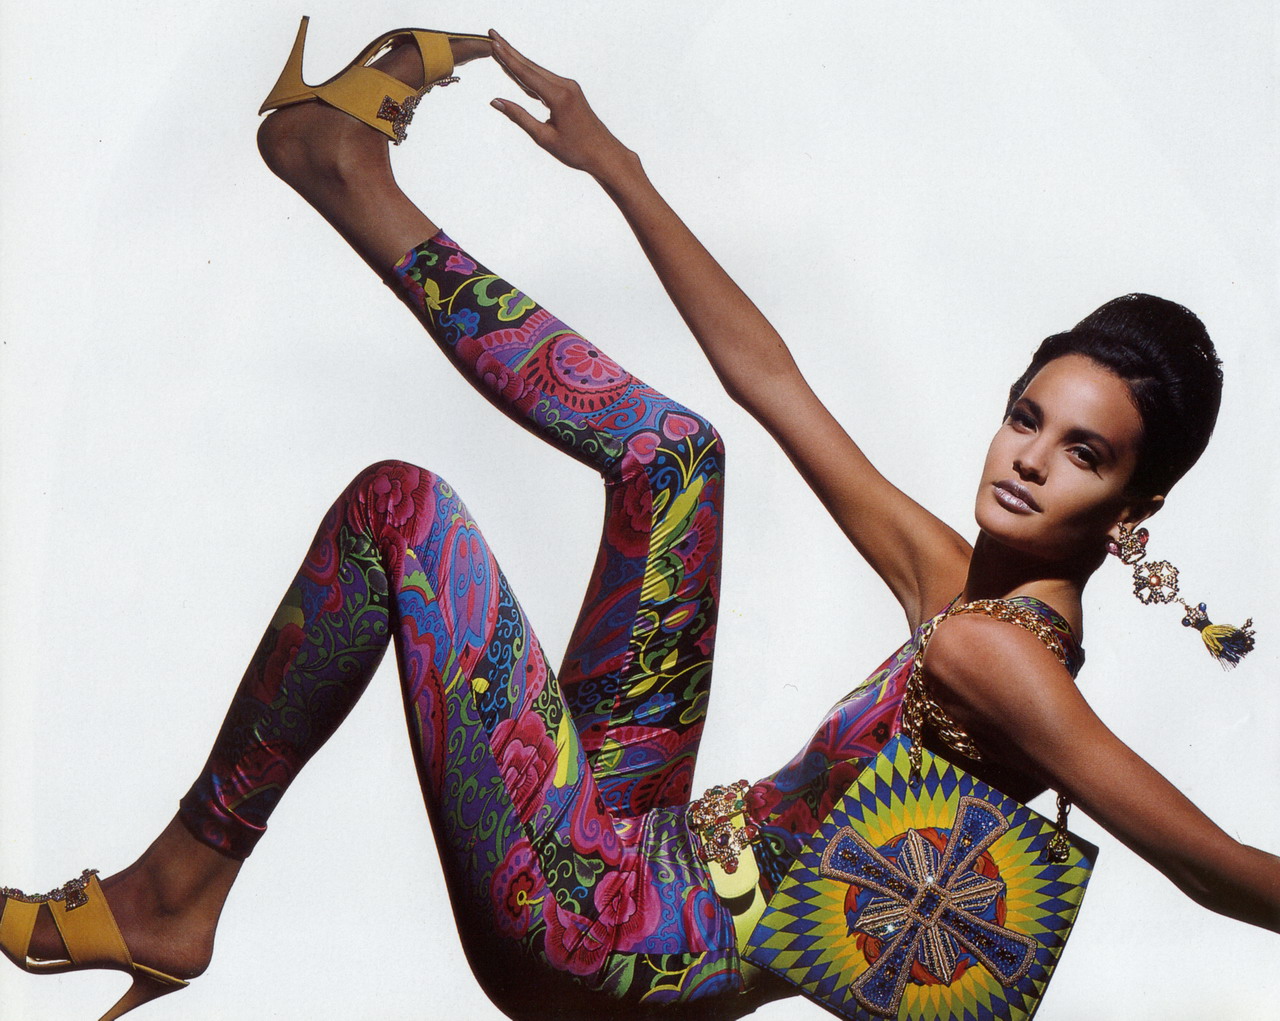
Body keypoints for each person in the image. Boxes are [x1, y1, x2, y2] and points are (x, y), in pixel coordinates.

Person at [1, 21, 1277, 1021]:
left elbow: (1211, 863)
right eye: (1023, 417)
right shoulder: (960, 589)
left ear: (1134, 506)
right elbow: (768, 379)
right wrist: (617, 166)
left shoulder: (990, 653)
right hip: (641, 847)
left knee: (403, 511)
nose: (1026, 461)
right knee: (677, 457)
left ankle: (174, 891)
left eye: (1081, 454)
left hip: (607, 939)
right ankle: (340, 171)